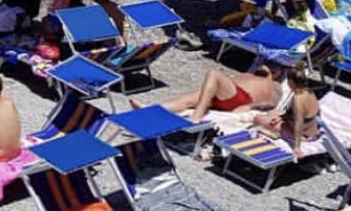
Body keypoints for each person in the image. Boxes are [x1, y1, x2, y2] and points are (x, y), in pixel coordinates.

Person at [135, 63, 283, 122]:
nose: (263, 65)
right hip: (225, 95)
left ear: (275, 73)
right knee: (188, 98)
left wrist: (250, 108)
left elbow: (272, 103)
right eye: (262, 63)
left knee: (213, 73)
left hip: (240, 99)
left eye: (267, 66)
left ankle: (198, 115)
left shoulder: (275, 85)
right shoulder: (248, 74)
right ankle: (148, 110)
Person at [250, 63, 319, 159]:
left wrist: (297, 147)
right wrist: (281, 117)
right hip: (310, 129)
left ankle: (277, 133)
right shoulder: (308, 91)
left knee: (258, 119)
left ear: (291, 82)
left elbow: (298, 124)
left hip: (302, 134)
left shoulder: (298, 100)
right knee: (273, 113)